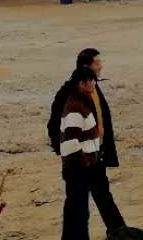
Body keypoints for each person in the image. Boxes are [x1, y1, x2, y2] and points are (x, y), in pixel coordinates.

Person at [47, 49, 125, 237]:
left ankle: (119, 233)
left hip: (95, 154)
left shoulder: (92, 87)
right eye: (97, 63)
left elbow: (101, 119)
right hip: (79, 160)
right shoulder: (69, 94)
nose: (101, 66)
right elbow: (55, 125)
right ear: (86, 67)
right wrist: (71, 155)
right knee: (77, 206)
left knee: (102, 196)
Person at [57, 66, 108, 240]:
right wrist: (85, 162)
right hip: (77, 168)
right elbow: (70, 142)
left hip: (80, 166)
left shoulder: (80, 101)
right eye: (91, 81)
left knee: (77, 212)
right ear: (81, 83)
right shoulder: (75, 107)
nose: (94, 84)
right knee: (78, 213)